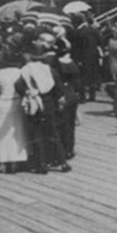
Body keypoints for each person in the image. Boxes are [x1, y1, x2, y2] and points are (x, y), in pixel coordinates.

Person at [16, 41, 71, 174]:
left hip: (35, 103)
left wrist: (28, 92)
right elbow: (58, 87)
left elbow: (18, 85)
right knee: (53, 132)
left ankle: (41, 164)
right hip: (48, 103)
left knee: (37, 133)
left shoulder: (26, 70)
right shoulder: (49, 69)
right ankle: (63, 162)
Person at [0, 43, 28, 174]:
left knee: (1, 132)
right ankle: (15, 160)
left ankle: (2, 161)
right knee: (17, 131)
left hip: (2, 104)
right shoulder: (20, 73)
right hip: (16, 102)